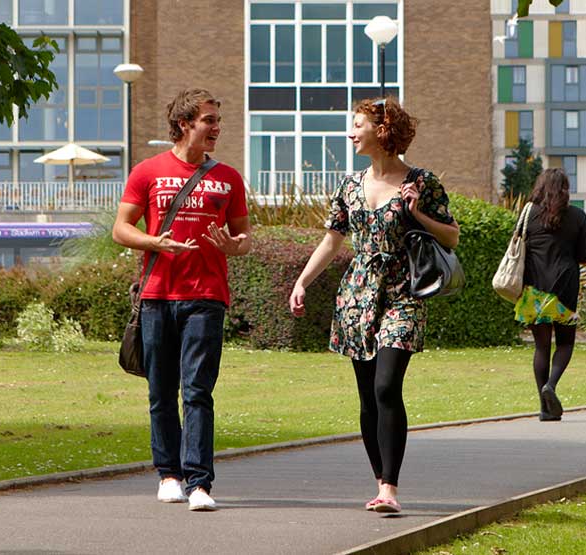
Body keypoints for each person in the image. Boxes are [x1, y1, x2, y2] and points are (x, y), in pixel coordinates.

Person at [289, 97, 459, 514]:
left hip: (403, 292)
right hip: (357, 295)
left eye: (358, 124)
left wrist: (418, 212)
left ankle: (390, 487)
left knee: (386, 386)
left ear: (382, 131)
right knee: (368, 397)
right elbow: (332, 241)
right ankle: (379, 480)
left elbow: (451, 237)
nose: (351, 132)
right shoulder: (349, 186)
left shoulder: (421, 181)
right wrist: (302, 282)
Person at [113, 88, 252, 512]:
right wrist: (154, 241)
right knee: (161, 391)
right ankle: (168, 475)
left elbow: (244, 238)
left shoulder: (228, 178)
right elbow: (121, 228)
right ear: (184, 124)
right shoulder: (148, 171)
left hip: (207, 297)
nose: (216, 128)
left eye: (216, 120)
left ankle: (199, 483)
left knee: (197, 391)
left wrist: (233, 245)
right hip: (157, 297)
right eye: (209, 120)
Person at [514, 168, 586, 421]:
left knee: (541, 347)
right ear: (565, 190)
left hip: (534, 288)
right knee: (566, 343)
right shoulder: (578, 216)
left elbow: (517, 242)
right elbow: (585, 257)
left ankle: (544, 407)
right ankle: (552, 385)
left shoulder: (528, 213)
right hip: (565, 288)